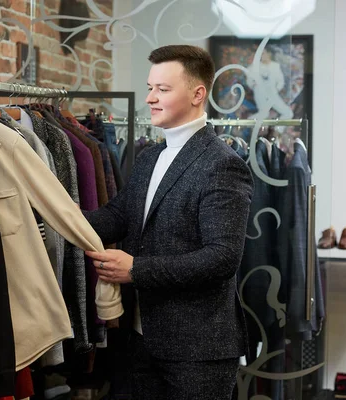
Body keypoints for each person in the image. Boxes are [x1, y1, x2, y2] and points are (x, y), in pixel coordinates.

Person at [83, 45, 253, 399]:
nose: (150, 98)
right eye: (150, 88)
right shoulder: (149, 158)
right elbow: (119, 216)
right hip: (141, 337)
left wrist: (136, 270)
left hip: (198, 350)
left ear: (197, 94)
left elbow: (222, 258)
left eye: (163, 89)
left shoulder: (222, 164)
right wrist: (48, 219)